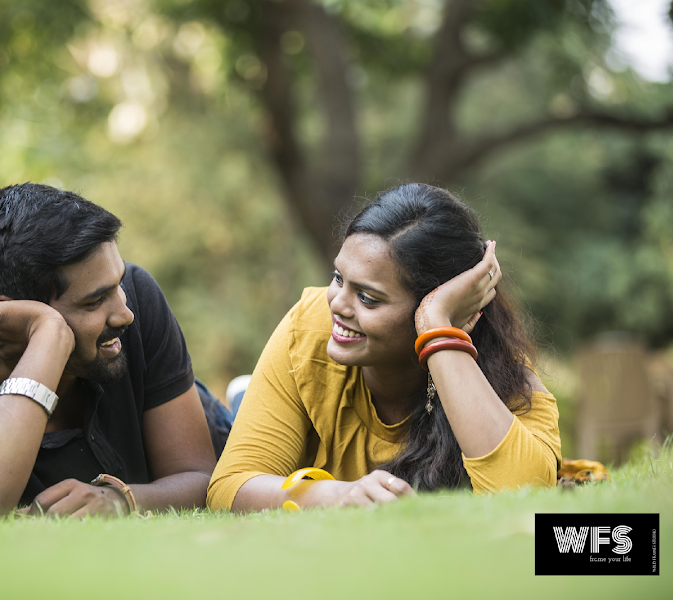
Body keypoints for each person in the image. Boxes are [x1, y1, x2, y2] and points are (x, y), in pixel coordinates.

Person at [208, 183, 561, 512]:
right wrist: (338, 494)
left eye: (367, 297)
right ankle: (246, 400)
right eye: (337, 279)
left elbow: (525, 495)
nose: (337, 305)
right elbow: (230, 486)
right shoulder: (311, 328)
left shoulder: (505, 380)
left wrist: (437, 330)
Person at [0, 183, 230, 518]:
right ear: (12, 315)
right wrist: (48, 335)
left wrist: (119, 500)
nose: (125, 313)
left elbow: (201, 479)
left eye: (118, 285)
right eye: (94, 301)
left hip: (231, 434)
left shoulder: (137, 298)